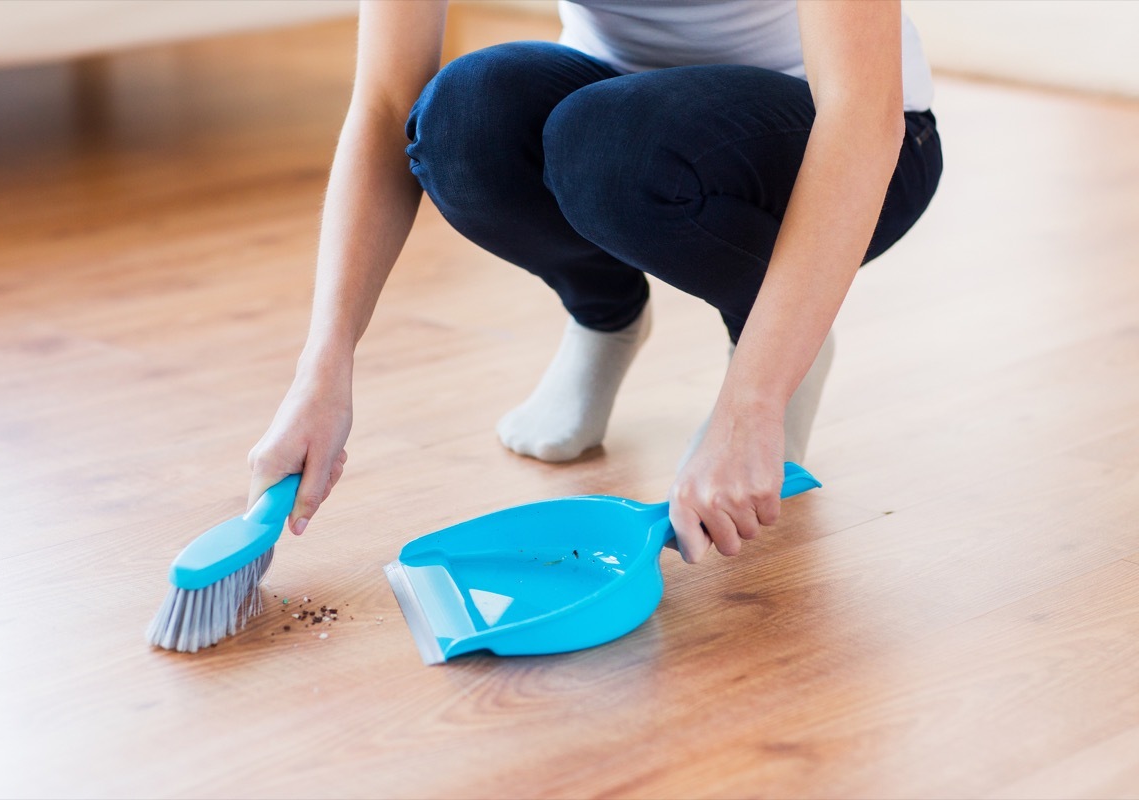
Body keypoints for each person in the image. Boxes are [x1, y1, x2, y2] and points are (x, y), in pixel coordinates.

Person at [246, 0, 942, 563]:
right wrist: (324, 365)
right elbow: (385, 104)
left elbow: (861, 113)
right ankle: (604, 318)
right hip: (612, 110)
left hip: (851, 131)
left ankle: (779, 343)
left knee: (611, 148)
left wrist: (753, 403)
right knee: (462, 120)